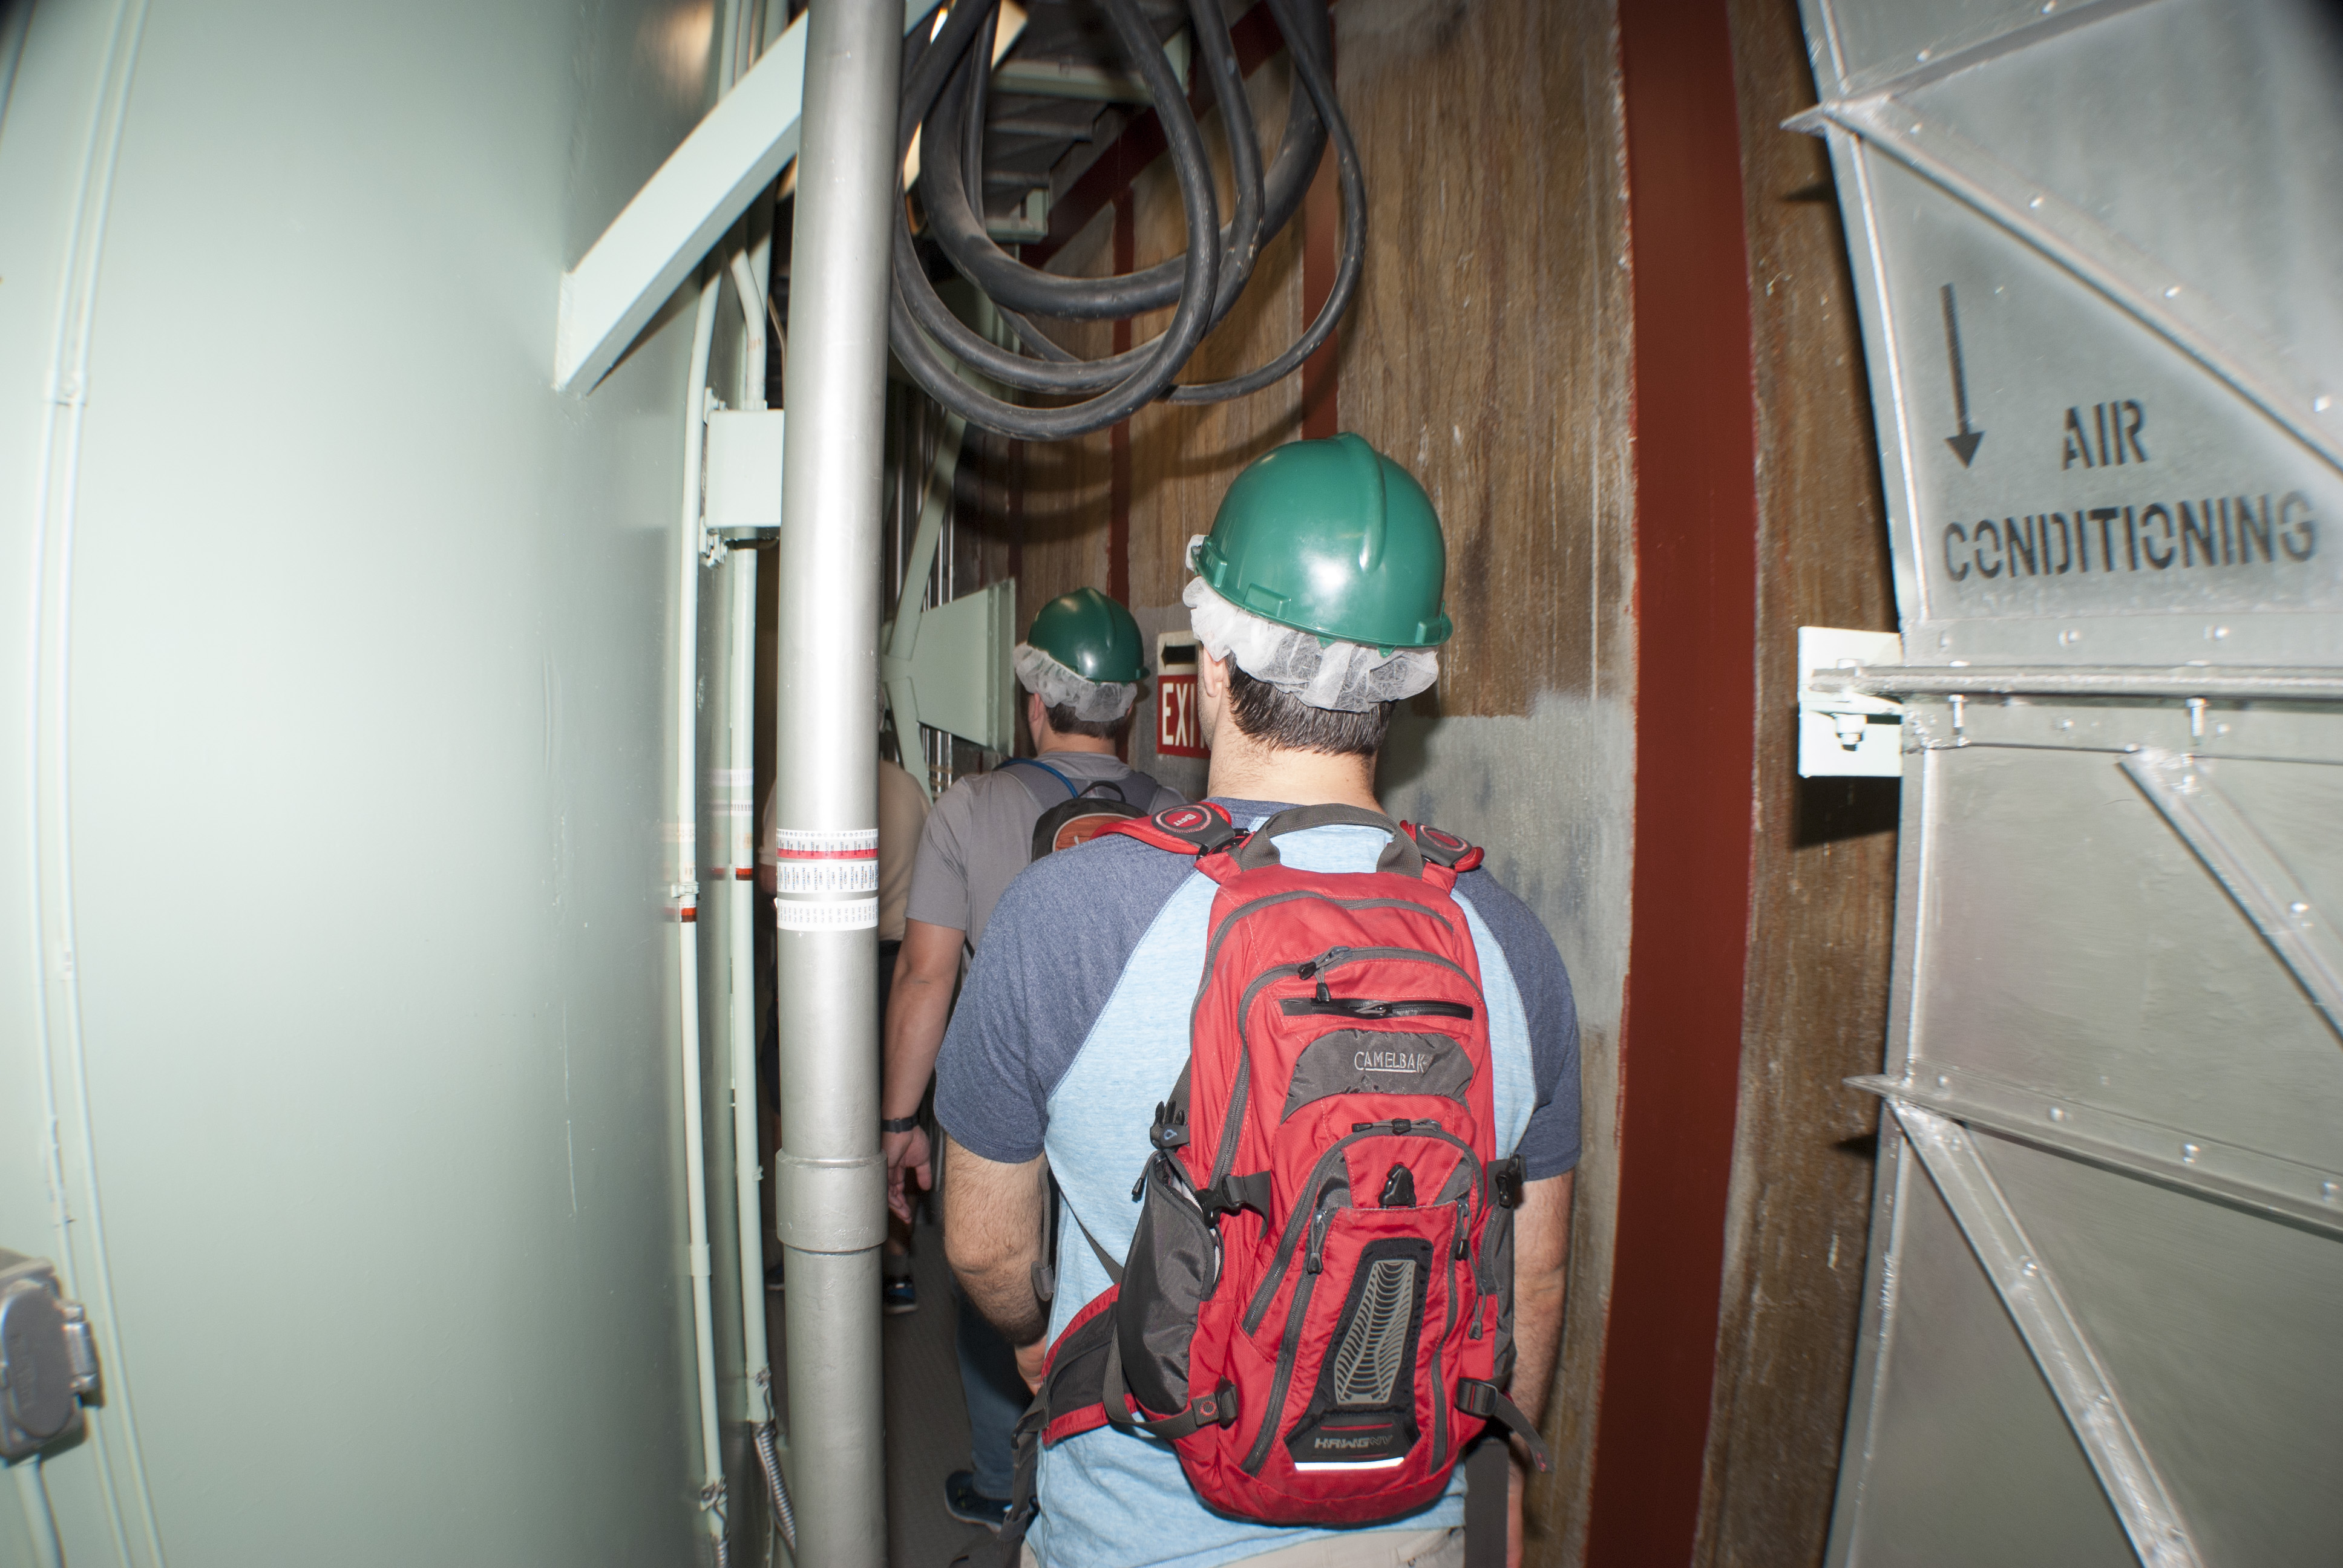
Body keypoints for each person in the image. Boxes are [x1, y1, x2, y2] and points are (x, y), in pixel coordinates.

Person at [934, 434, 1580, 1568]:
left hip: (1133, 1531)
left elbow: (986, 1247)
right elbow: (1532, 1275)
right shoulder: (1511, 943)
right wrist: (1500, 1487)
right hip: (1410, 1526)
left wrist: (1046, 1352)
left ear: (1215, 665)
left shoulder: (1065, 915)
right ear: (1405, 682)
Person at [882, 586, 1188, 1530]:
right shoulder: (1182, 818)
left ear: (1034, 703)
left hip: (1003, 1116)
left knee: (997, 1294)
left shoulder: (969, 808)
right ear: (1128, 707)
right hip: (1141, 1129)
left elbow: (926, 978)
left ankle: (997, 1484)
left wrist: (899, 1122)